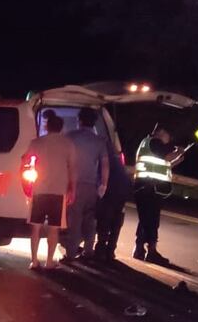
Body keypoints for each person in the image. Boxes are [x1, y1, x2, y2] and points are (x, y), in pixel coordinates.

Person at [23, 113, 77, 269]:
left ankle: (33, 261)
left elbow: (26, 161)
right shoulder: (68, 144)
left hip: (39, 190)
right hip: (59, 191)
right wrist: (72, 189)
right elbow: (73, 168)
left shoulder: (36, 143)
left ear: (47, 126)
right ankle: (49, 261)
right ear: (61, 128)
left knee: (36, 227)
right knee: (54, 228)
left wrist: (26, 183)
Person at [132, 125, 187, 264]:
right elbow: (167, 157)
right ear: (162, 132)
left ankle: (139, 249)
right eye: (168, 136)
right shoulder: (155, 142)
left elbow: (163, 163)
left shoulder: (146, 143)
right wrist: (178, 151)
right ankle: (152, 251)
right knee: (152, 220)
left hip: (144, 186)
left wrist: (176, 160)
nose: (169, 140)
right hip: (151, 187)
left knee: (145, 219)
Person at [62, 107, 109, 261]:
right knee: (90, 220)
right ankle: (88, 251)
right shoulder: (99, 141)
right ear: (94, 123)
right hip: (92, 186)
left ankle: (70, 253)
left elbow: (63, 162)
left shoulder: (69, 137)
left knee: (74, 220)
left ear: (79, 120)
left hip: (73, 185)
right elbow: (105, 165)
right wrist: (103, 185)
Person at [95, 145, 132, 262]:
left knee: (105, 220)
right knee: (116, 221)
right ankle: (110, 251)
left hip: (112, 191)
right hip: (123, 192)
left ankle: (101, 250)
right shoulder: (117, 159)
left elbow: (100, 175)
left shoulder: (104, 158)